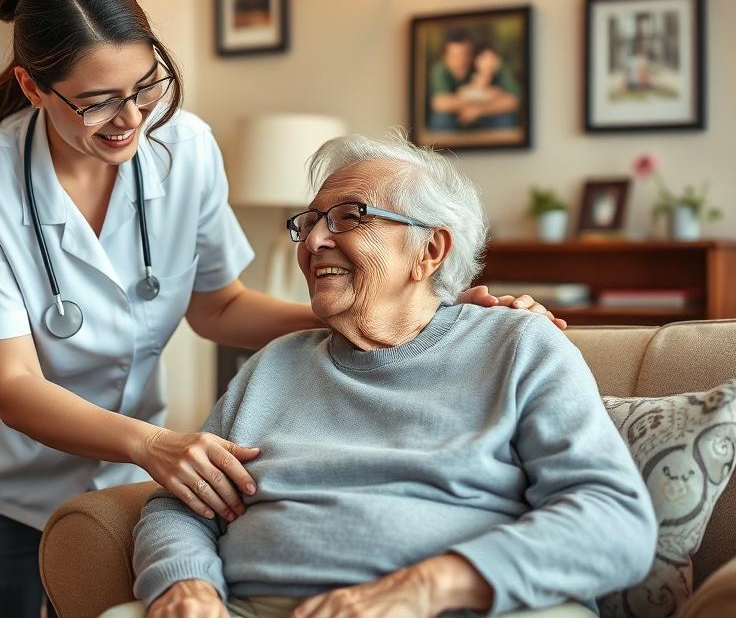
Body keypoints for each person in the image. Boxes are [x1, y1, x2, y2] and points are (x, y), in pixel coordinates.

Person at [0, 0, 564, 618]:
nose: (130, 118)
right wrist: (153, 444)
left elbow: (220, 306)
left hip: (125, 464)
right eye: (96, 103)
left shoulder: (188, 149)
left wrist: (400, 311)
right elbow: (14, 385)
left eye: (145, 87)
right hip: (0, 477)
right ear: (33, 88)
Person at [125, 133, 656, 618]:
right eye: (309, 222)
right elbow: (181, 506)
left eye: (349, 217)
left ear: (429, 250)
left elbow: (612, 521)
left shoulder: (518, 345)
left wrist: (423, 587)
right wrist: (185, 583)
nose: (312, 244)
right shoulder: (272, 365)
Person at [427, 29, 521, 131]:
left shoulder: (490, 63)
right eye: (454, 56)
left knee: (506, 118)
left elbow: (513, 100)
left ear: (473, 55)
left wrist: (479, 110)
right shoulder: (439, 70)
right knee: (441, 119)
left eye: (465, 55)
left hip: (489, 116)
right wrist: (481, 100)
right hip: (456, 118)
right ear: (445, 57)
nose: (461, 61)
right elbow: (440, 103)